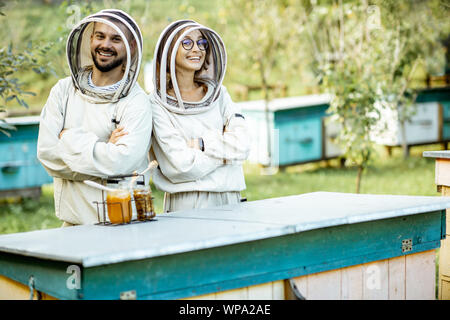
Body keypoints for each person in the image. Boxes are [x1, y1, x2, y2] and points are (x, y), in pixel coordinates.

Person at [37, 9, 152, 226]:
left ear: (131, 46)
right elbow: (46, 154)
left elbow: (121, 163)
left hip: (123, 225)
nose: (106, 44)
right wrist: (104, 147)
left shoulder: (136, 101)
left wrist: (68, 139)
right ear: (90, 39)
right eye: (100, 36)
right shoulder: (62, 91)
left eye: (116, 38)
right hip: (71, 224)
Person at [149, 20, 250, 213]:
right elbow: (181, 166)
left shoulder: (220, 94)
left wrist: (203, 145)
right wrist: (227, 151)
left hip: (232, 199)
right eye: (187, 43)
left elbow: (243, 145)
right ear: (169, 51)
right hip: (187, 204)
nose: (197, 49)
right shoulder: (155, 104)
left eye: (201, 43)